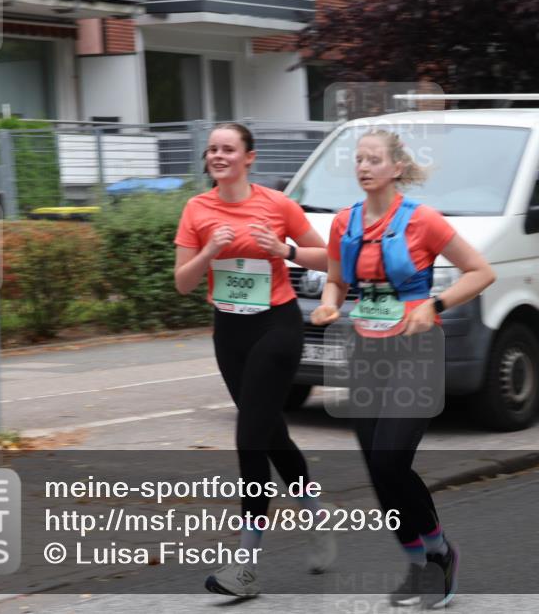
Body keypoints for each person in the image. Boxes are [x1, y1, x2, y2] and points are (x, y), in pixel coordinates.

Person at [311, 129, 495, 609]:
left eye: (374, 159)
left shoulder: (423, 221)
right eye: (359, 159)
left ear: (396, 168)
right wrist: (329, 306)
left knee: (392, 461)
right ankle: (418, 565)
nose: (364, 167)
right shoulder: (344, 223)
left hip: (415, 352)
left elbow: (481, 272)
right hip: (364, 354)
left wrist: (434, 305)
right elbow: (335, 280)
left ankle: (440, 553)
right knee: (377, 470)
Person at [174, 122, 335, 597]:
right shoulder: (196, 209)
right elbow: (183, 282)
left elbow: (329, 259)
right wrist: (209, 250)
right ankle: (316, 517)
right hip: (230, 331)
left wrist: (284, 249)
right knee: (271, 434)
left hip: (277, 326)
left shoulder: (276, 204)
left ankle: (244, 567)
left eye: (228, 149)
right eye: (212, 150)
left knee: (249, 438)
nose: (218, 156)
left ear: (250, 157)